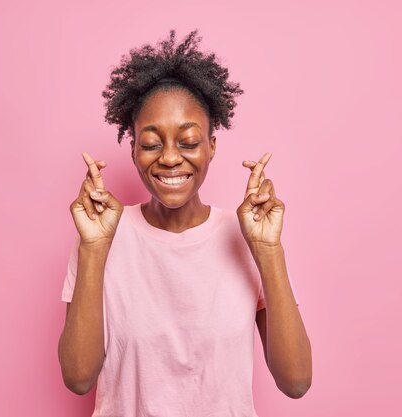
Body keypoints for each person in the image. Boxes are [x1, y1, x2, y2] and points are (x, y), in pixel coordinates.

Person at [58, 29, 312, 416]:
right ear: (133, 150)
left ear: (212, 145)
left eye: (189, 142)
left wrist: (268, 249)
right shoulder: (101, 234)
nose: (171, 158)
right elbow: (78, 378)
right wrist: (93, 248)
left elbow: (295, 382)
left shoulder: (247, 235)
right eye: (152, 143)